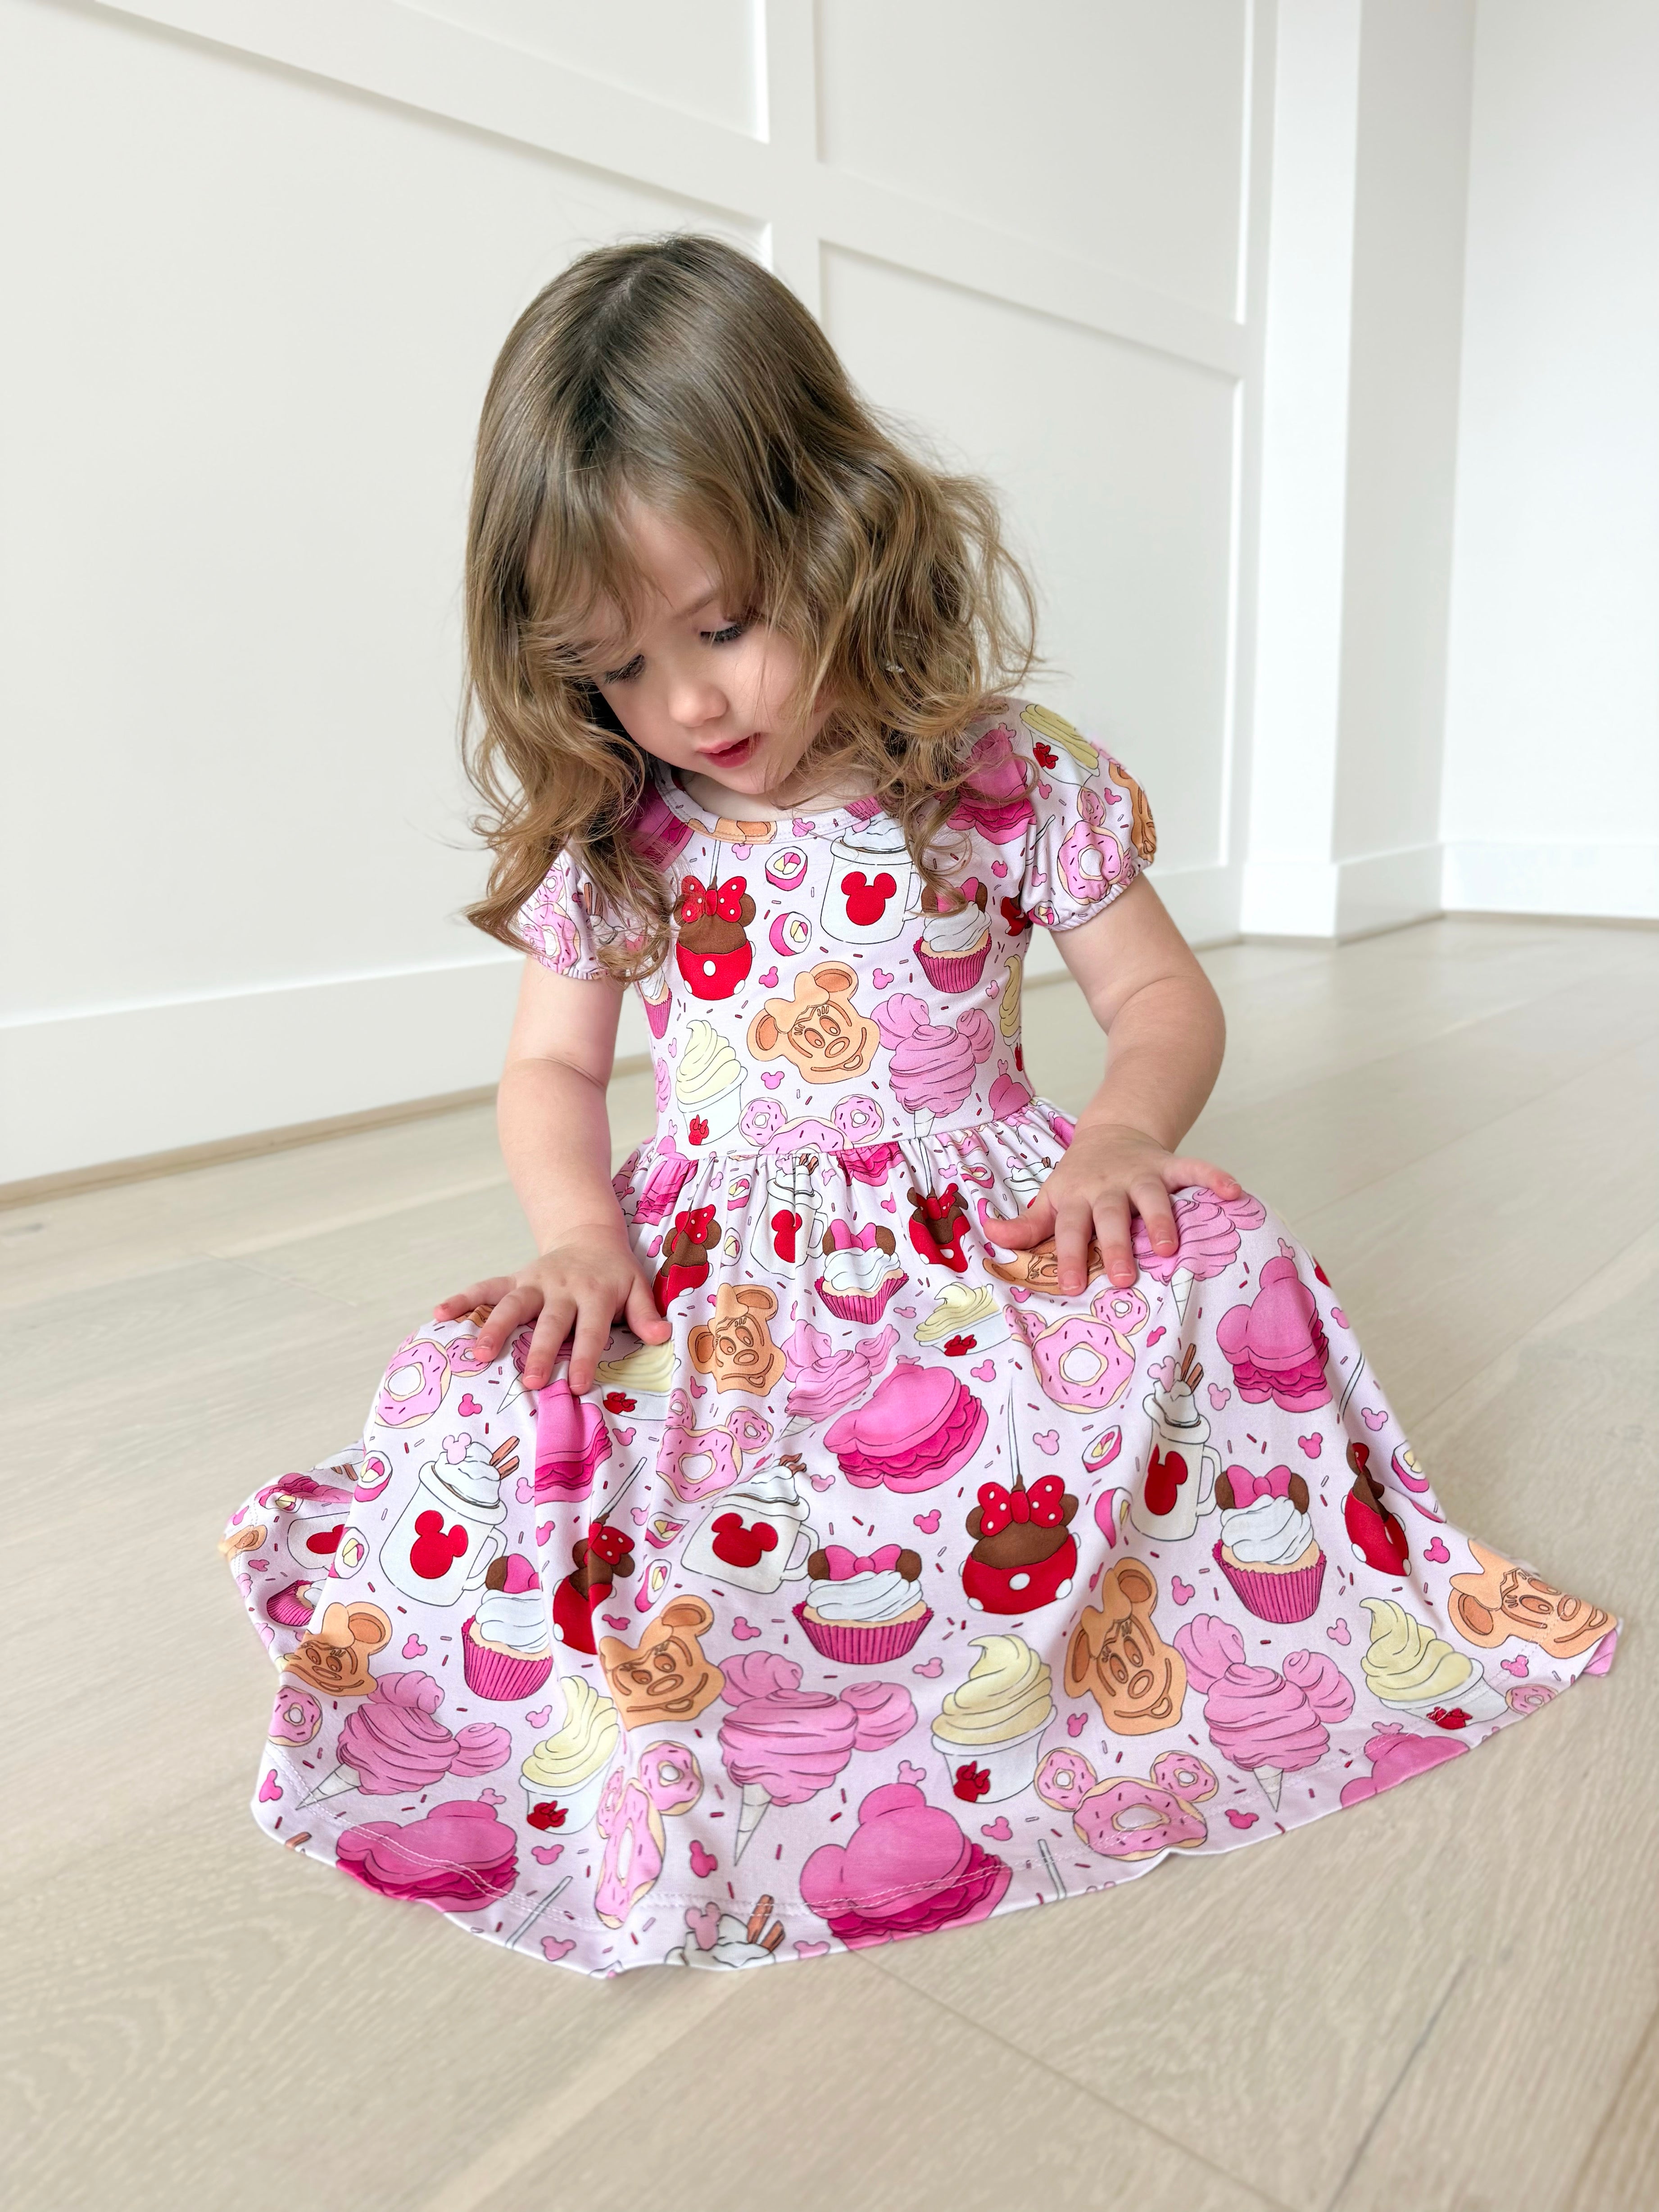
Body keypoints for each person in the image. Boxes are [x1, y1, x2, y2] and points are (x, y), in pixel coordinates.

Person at [223, 234, 1619, 1976]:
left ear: (839, 533)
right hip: (717, 1263)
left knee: (1221, 1266)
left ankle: (1046, 1619)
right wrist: (578, 1237)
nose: (687, 703)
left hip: (984, 1241)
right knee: (496, 1405)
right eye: (618, 665)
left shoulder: (999, 775)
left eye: (723, 626)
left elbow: (1158, 999)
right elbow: (554, 1066)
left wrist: (1118, 1140)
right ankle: (762, 1645)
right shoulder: (621, 830)